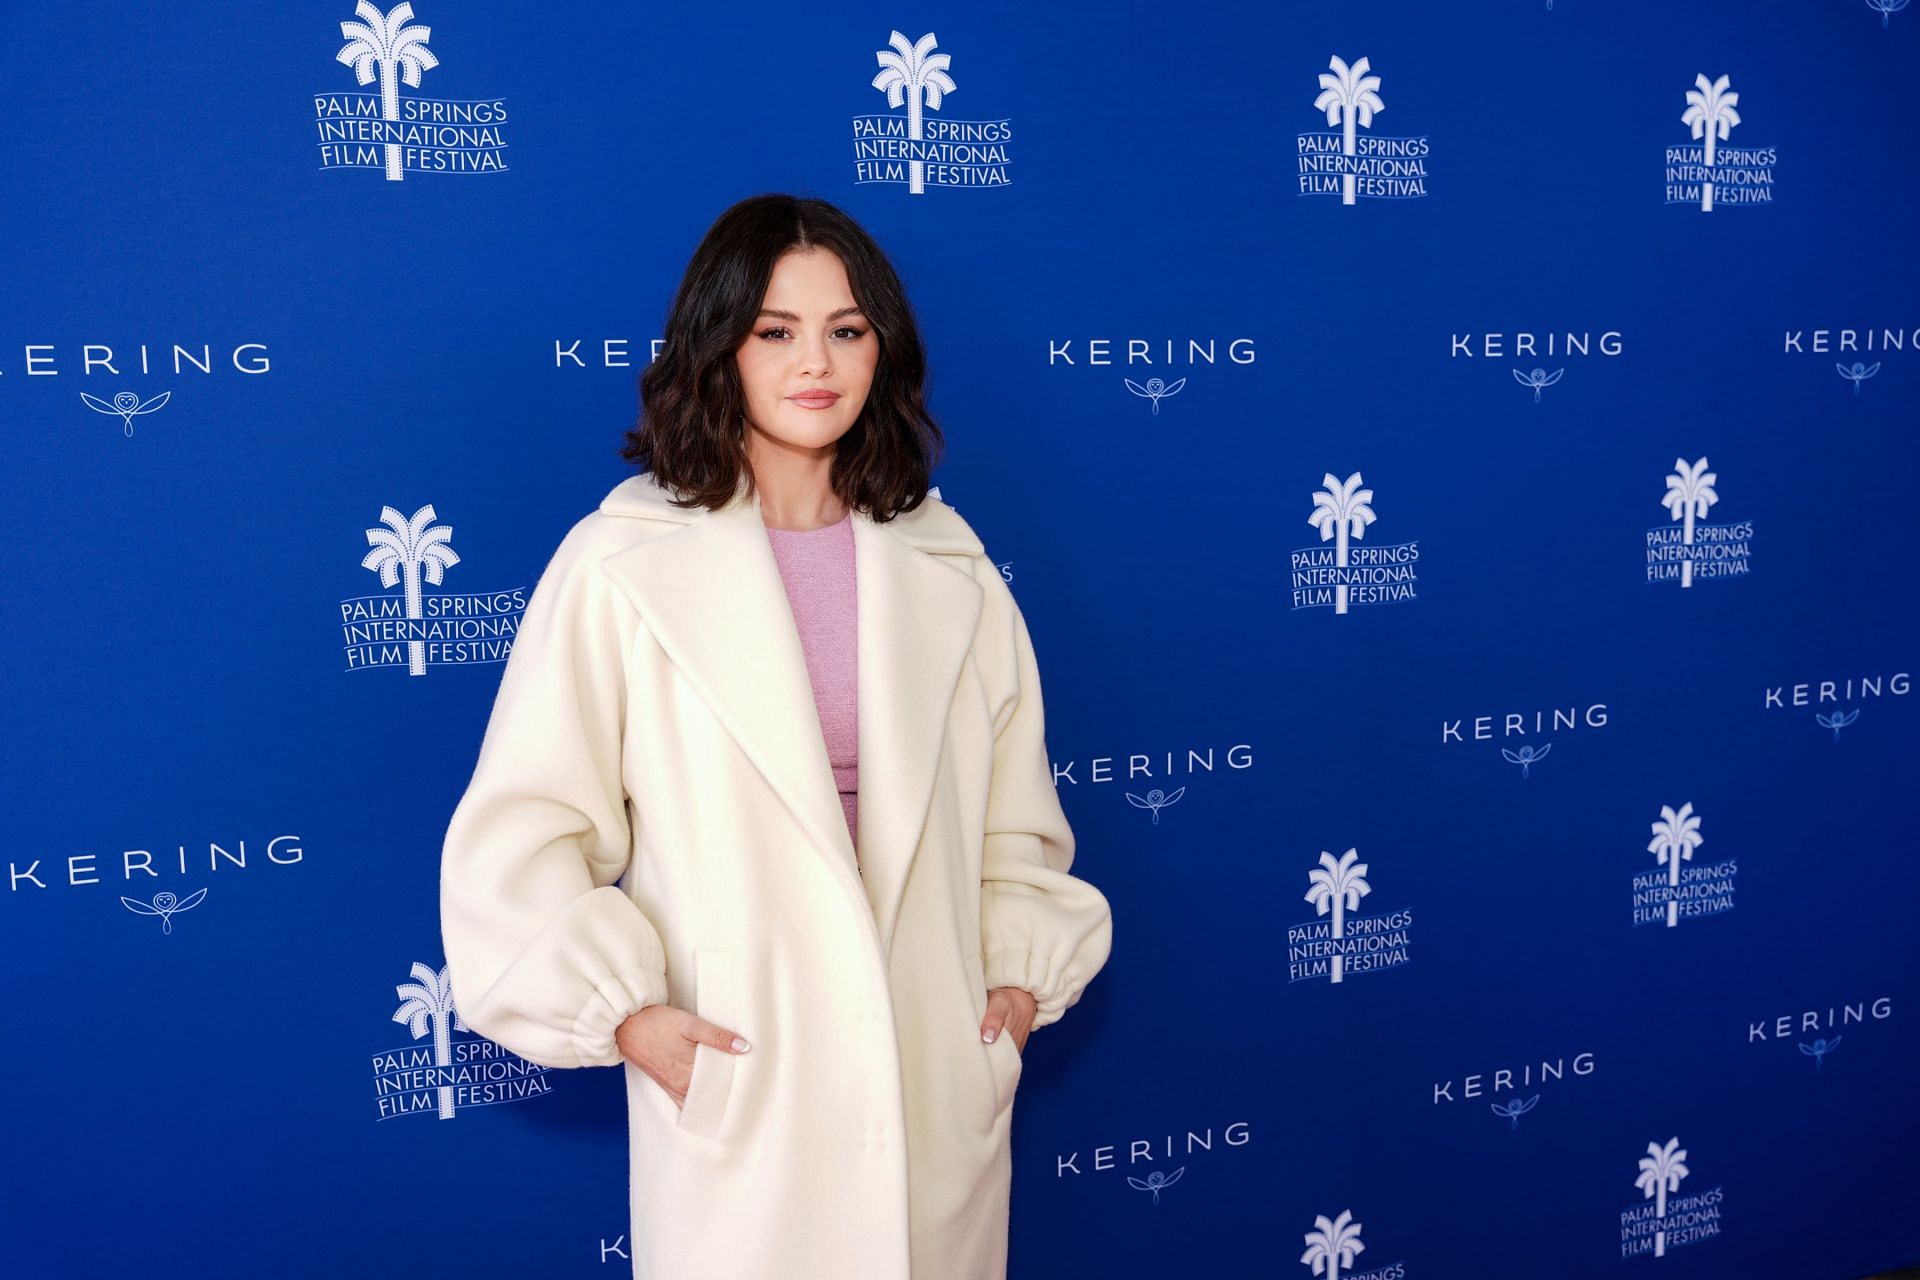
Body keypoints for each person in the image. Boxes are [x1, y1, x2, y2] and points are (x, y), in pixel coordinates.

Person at [439, 193, 1114, 1280]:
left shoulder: (951, 565)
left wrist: (1013, 989)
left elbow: (1012, 820)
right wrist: (627, 1019)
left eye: (847, 329)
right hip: (747, 1083)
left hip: (932, 1074)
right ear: (720, 349)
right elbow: (524, 827)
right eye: (776, 330)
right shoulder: (621, 565)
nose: (818, 362)